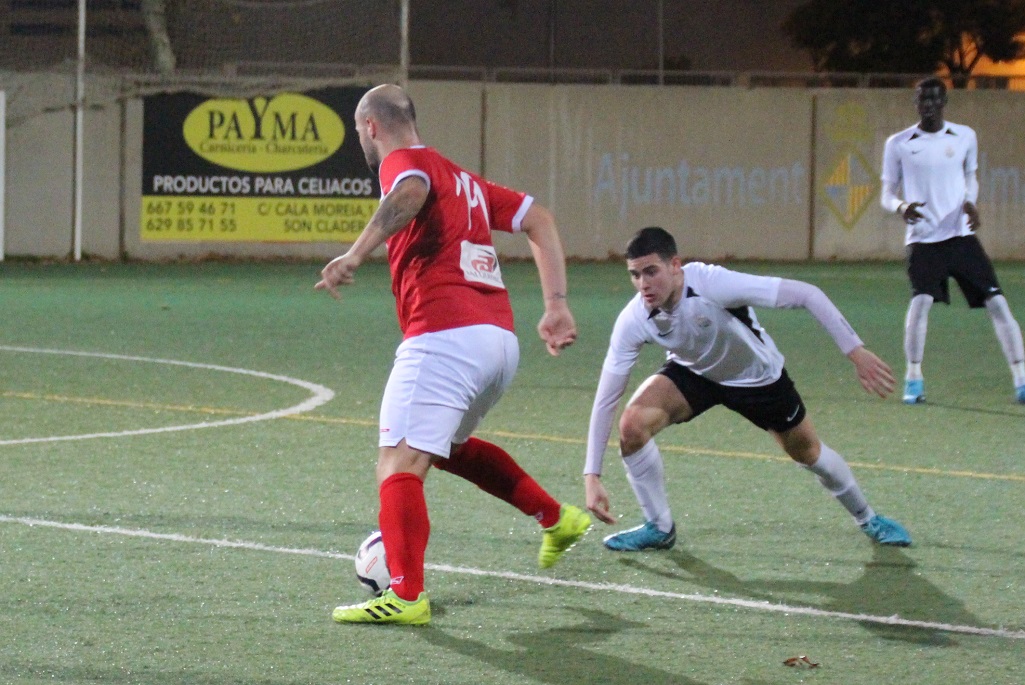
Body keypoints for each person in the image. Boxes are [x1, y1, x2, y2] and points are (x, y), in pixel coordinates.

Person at [318, 84, 591, 625]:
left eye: (358, 132)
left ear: (371, 126)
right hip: (498, 341)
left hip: (445, 335)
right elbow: (540, 219)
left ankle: (405, 596)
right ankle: (556, 518)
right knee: (448, 449)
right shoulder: (464, 179)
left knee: (397, 461)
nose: (362, 142)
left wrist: (355, 253)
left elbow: (410, 191)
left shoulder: (404, 164)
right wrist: (556, 304)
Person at [583, 226, 911, 552]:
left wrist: (855, 351)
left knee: (809, 453)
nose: (643, 284)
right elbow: (607, 397)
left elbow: (807, 294)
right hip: (694, 373)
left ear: (675, 265)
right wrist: (592, 475)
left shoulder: (713, 284)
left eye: (651, 271)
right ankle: (659, 526)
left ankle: (868, 518)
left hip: (756, 379)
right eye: (635, 274)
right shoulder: (634, 318)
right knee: (632, 425)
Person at [880, 76, 1025, 405]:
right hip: (923, 240)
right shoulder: (899, 143)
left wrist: (970, 202)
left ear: (944, 102)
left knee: (997, 302)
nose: (929, 105)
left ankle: (1021, 378)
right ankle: (913, 379)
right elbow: (886, 194)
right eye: (923, 99)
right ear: (916, 103)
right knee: (920, 303)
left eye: (935, 99)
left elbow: (970, 176)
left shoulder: (964, 136)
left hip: (961, 238)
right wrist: (901, 207)